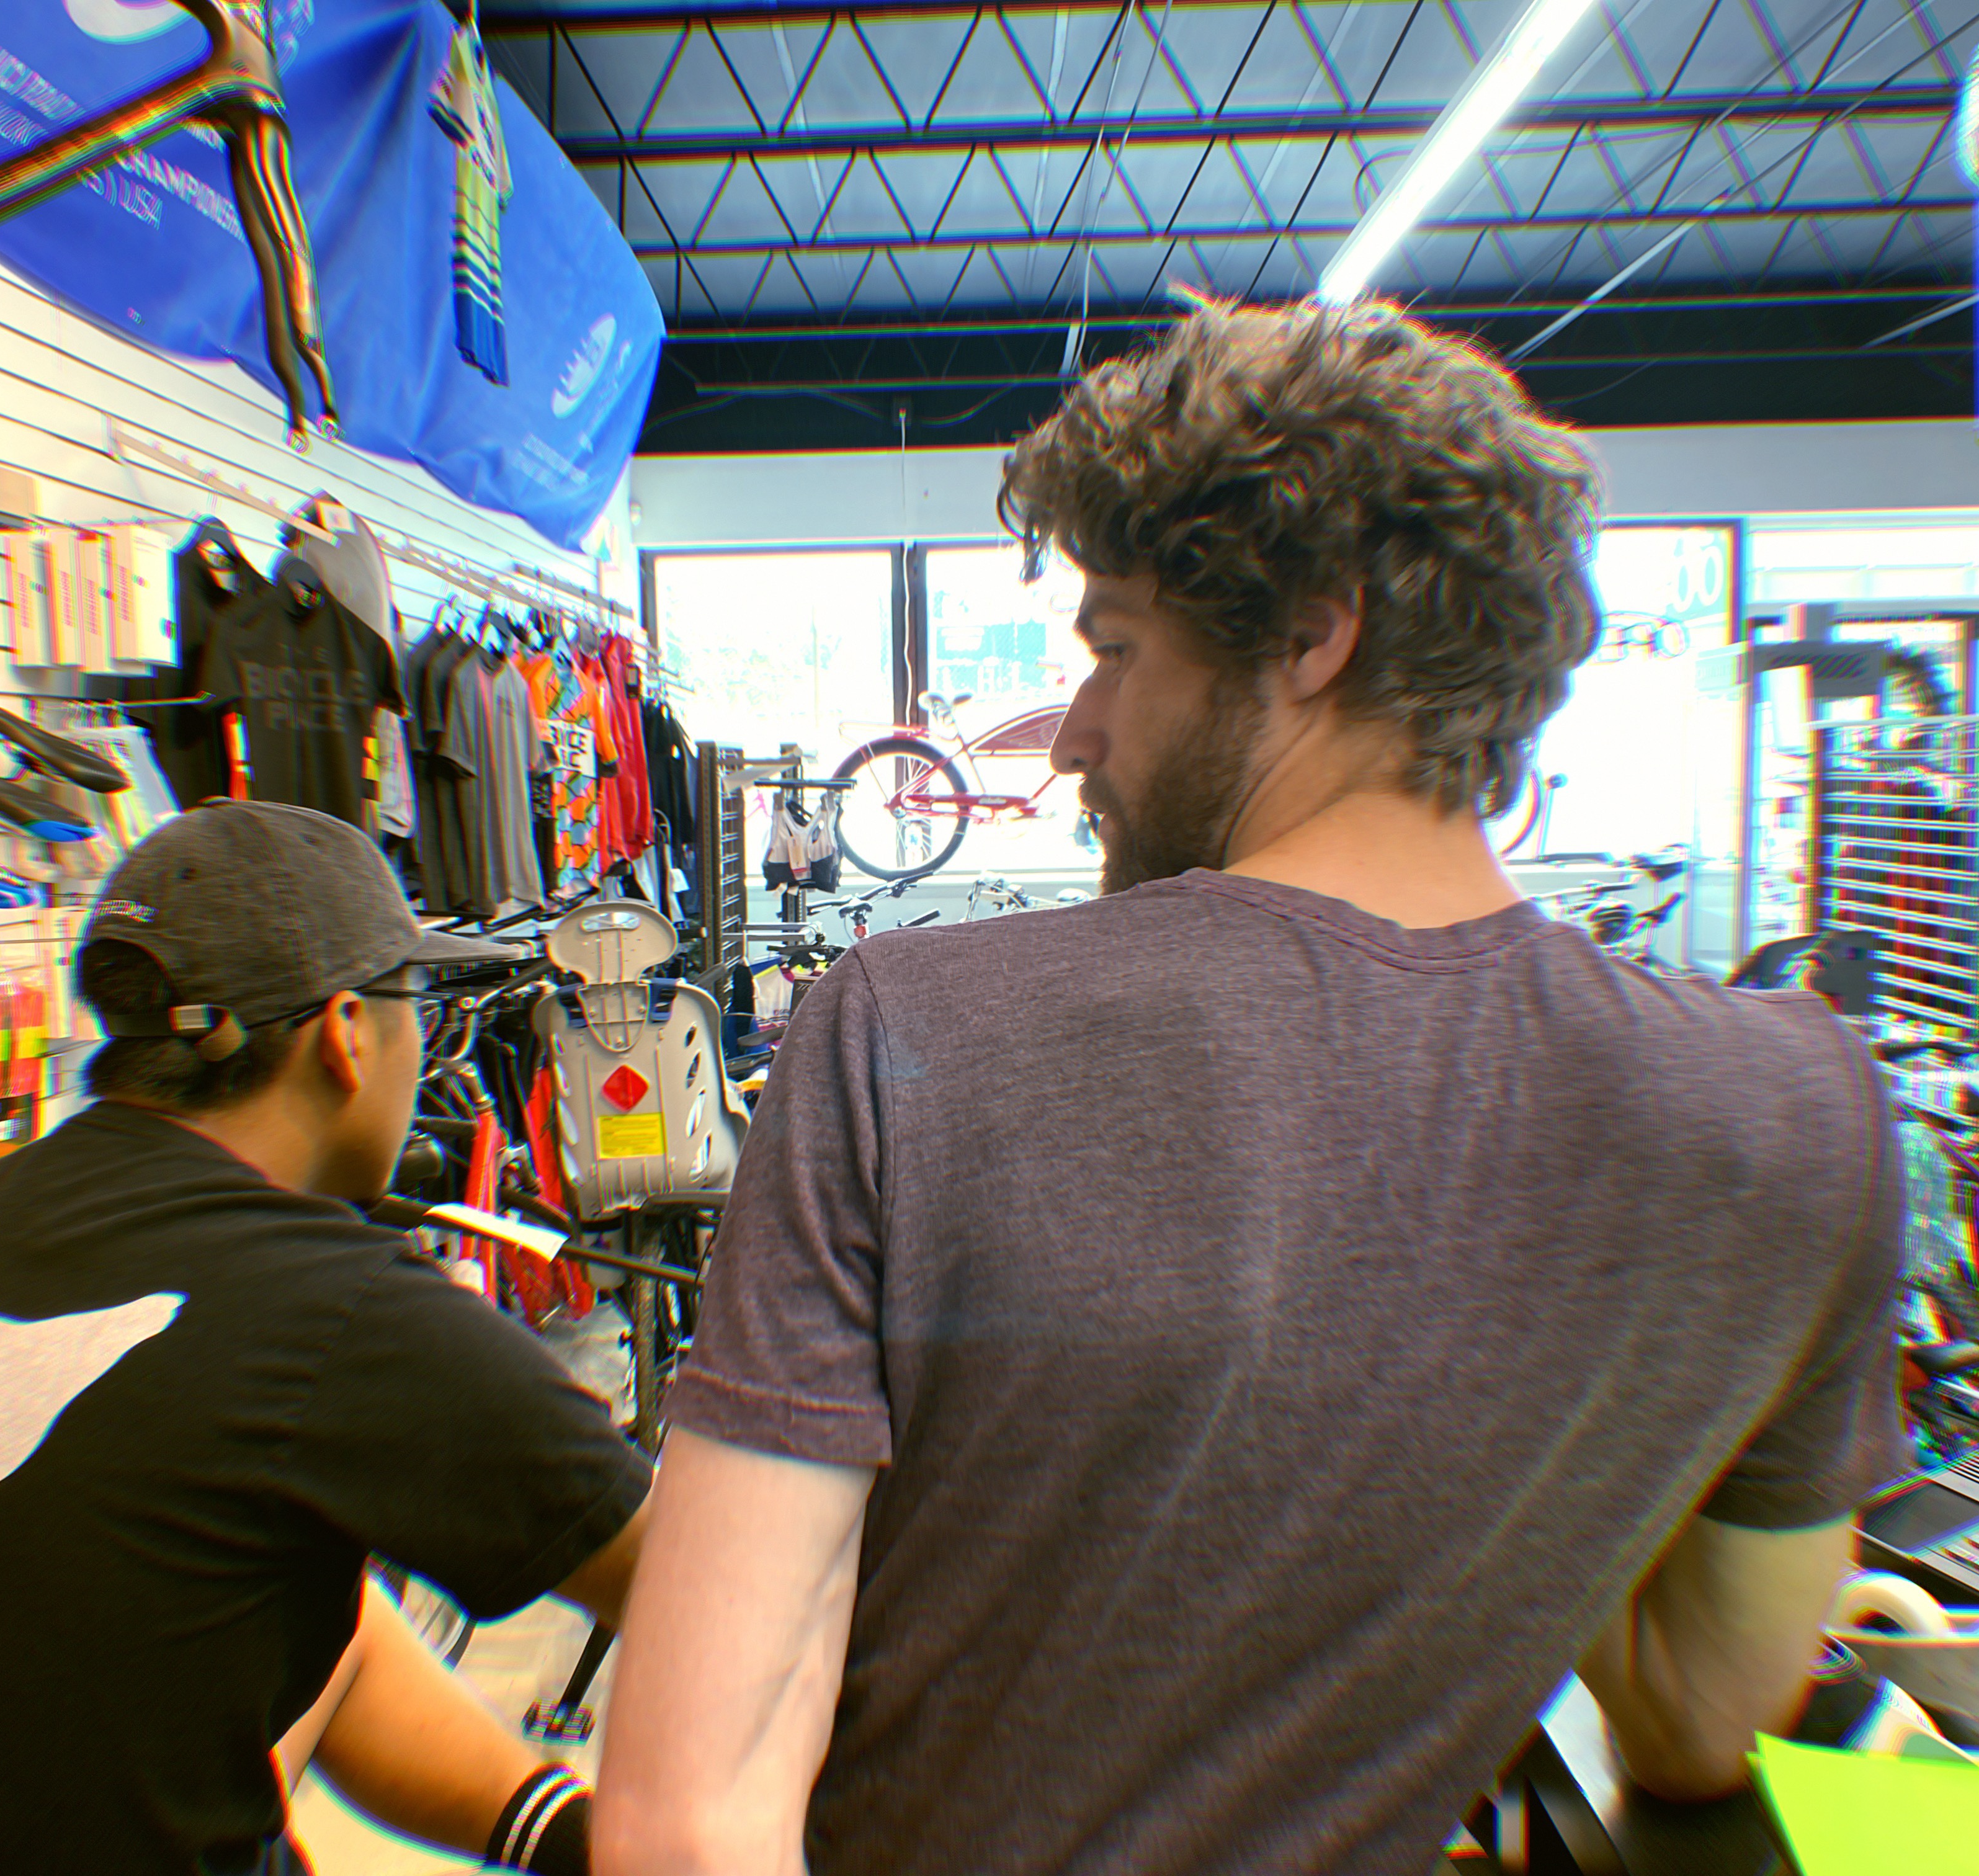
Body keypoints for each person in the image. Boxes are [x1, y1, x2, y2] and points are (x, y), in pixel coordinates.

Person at [594, 297, 1901, 1875]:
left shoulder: (908, 1034)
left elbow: (687, 1820)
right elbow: (1696, 1717)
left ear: (1311, 637)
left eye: (1116, 652)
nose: (1074, 735)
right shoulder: (1794, 1121)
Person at [0, 800, 650, 1876]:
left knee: (306, 1593)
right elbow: (716, 1593)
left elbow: (327, 1632)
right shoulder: (334, 1309)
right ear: (345, 1035)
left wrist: (584, 1843)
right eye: (413, 1002)